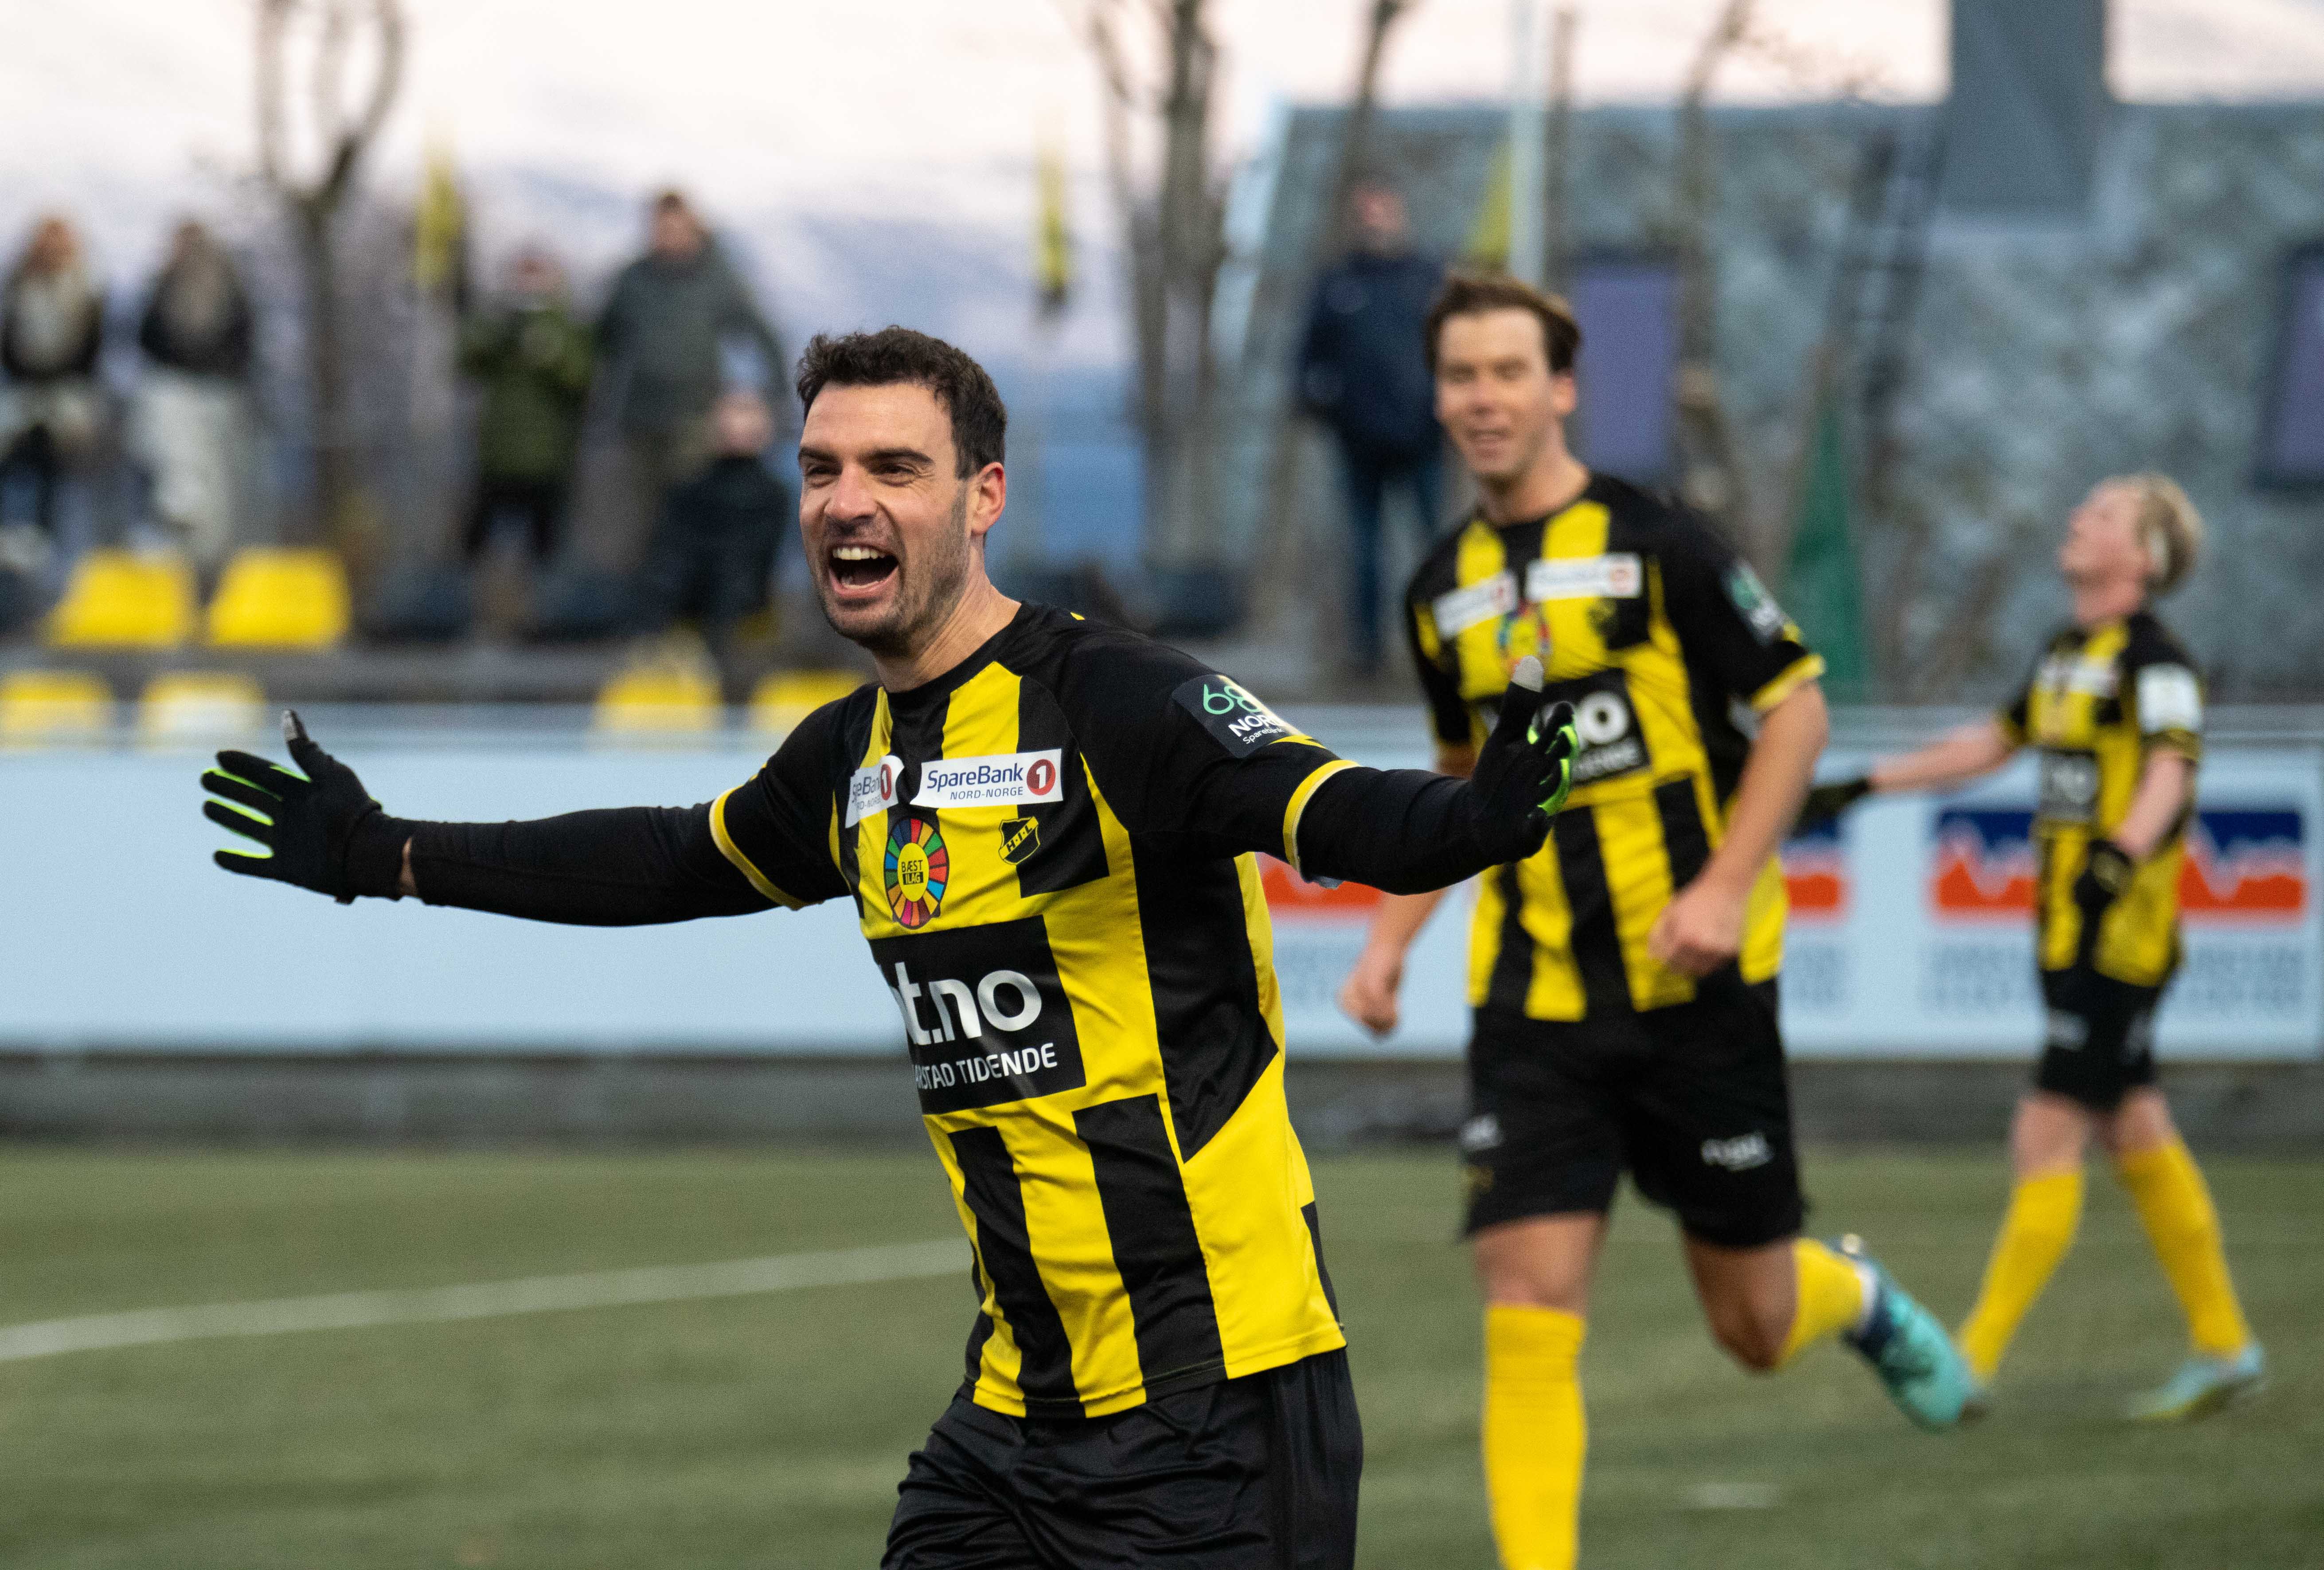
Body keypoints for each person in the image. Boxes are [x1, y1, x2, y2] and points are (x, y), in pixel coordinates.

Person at [200, 326, 1582, 1570]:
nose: (844, 500)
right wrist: (386, 853)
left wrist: (1475, 815)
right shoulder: (848, 758)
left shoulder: (1117, 701)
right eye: (821, 469)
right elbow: (668, 859)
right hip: (1013, 1420)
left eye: (894, 468)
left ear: (984, 497)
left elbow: (1328, 805)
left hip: (1216, 1406)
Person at [1335, 273, 1973, 1570]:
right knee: (1526, 1295)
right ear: (1439, 397)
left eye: (1508, 371)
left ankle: (1853, 1298)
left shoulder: (1663, 543)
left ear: (1561, 387)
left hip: (1698, 991)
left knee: (1753, 1323)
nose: (1482, 397)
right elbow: (1462, 781)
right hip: (1534, 1000)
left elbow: (1795, 710)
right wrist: (1390, 943)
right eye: (1460, 375)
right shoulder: (1438, 587)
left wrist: (1724, 884)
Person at [1801, 474, 2264, 1423]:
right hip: (2063, 932)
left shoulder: (2155, 661)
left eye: (2101, 514)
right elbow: (1991, 741)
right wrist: (1865, 784)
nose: (2076, 520)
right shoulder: (2064, 652)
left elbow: (2171, 768)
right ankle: (2225, 1345)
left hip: (2115, 939)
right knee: (2133, 1128)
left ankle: (1965, 1361)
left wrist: (2118, 854)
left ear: (2144, 557)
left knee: (2044, 1131)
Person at [1296, 179, 1446, 678]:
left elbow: (1452, 349)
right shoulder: (1338, 283)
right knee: (1364, 553)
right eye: (1367, 213)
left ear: (1399, 214)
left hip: (1422, 438)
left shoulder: (1426, 279)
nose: (1375, 221)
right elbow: (1308, 357)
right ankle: (1367, 653)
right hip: (1359, 442)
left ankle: (1443, 646)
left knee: (1435, 548)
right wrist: (1324, 407)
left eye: (1384, 211)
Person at [588, 191, 784, 568]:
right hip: (638, 419)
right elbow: (601, 338)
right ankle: (641, 592)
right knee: (637, 519)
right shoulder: (634, 278)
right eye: (661, 228)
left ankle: (686, 592)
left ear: (693, 228)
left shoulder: (716, 278)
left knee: (688, 515)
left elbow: (762, 334)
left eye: (676, 228)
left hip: (694, 420)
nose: (668, 237)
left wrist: (770, 398)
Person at [633, 386, 787, 679]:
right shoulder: (691, 493)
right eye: (734, 413)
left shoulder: (774, 497)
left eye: (747, 413)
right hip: (702, 625)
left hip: (740, 626)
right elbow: (669, 566)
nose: (739, 424)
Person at [457, 245, 594, 570]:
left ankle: (543, 599)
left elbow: (582, 381)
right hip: (496, 454)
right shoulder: (499, 321)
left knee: (545, 551)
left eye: (537, 274)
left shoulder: (568, 326)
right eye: (523, 274)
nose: (528, 283)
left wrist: (553, 356)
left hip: (549, 458)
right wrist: (495, 336)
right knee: (474, 547)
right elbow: (467, 364)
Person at [132, 219, 257, 577]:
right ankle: (175, 528)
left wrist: (212, 366)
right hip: (173, 388)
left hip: (218, 392)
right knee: (172, 458)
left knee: (214, 477)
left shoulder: (229, 285)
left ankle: (210, 561)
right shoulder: (161, 285)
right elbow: (146, 337)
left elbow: (242, 338)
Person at [0, 215, 105, 562]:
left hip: (68, 391)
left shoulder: (85, 290)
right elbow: (10, 343)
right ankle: (15, 533)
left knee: (61, 457)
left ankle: (57, 543)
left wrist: (59, 378)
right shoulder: (18, 287)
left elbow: (90, 349)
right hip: (22, 388)